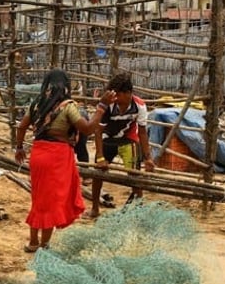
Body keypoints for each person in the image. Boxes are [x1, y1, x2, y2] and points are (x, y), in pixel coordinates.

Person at [14, 69, 115, 252]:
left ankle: (33, 242)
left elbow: (21, 127)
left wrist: (20, 147)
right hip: (57, 157)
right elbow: (87, 129)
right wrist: (101, 107)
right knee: (51, 202)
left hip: (38, 154)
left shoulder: (36, 104)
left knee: (38, 200)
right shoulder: (68, 106)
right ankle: (43, 245)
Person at [90, 73, 155, 219]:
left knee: (135, 175)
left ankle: (139, 208)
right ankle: (94, 207)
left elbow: (142, 133)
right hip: (106, 140)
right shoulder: (108, 105)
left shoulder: (139, 106)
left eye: (118, 95)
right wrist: (100, 157)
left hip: (127, 140)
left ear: (128, 93)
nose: (116, 99)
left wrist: (148, 157)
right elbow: (98, 132)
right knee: (97, 173)